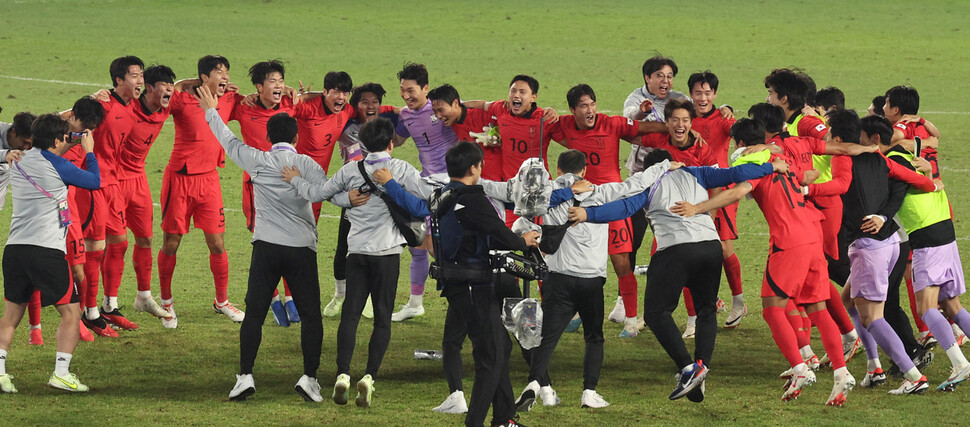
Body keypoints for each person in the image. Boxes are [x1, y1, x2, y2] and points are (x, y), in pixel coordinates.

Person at [571, 148, 784, 402]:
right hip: (710, 246)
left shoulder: (649, 182)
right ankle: (702, 366)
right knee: (706, 310)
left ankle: (688, 367)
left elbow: (624, 208)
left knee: (655, 313)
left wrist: (588, 214)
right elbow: (737, 172)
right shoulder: (696, 172)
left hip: (676, 249)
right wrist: (772, 166)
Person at [676, 117, 856, 405]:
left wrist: (697, 207)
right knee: (817, 307)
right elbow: (804, 176)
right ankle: (841, 372)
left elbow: (737, 190)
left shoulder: (756, 159)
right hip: (812, 232)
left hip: (789, 239)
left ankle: (800, 369)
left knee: (773, 309)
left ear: (741, 143)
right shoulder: (781, 153)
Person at [282, 117, 431, 408]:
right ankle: (369, 377)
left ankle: (342, 375)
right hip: (387, 254)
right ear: (391, 143)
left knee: (350, 315)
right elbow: (426, 201)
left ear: (361, 144)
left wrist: (298, 181)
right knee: (382, 319)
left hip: (357, 253)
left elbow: (318, 194)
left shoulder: (350, 170)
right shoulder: (401, 169)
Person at [195, 85, 326, 402]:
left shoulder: (257, 160)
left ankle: (244, 376)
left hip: (265, 248)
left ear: (269, 138)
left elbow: (227, 141)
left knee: (254, 314)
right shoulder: (308, 165)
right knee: (311, 317)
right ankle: (309, 378)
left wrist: (210, 109)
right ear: (296, 138)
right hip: (301, 250)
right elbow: (325, 193)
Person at [807, 109, 941, 395]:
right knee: (851, 302)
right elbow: (911, 177)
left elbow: (840, 185)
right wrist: (931, 184)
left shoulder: (844, 157)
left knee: (872, 317)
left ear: (839, 137)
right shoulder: (879, 158)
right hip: (891, 241)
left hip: (870, 247)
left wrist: (807, 190)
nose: (827, 138)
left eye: (830, 134)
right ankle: (874, 368)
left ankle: (913, 375)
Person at [428, 141, 538, 427]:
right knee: (491, 356)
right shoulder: (472, 199)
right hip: (472, 285)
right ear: (475, 168)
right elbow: (503, 235)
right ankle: (475, 422)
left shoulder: (441, 195)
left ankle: (504, 419)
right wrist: (522, 241)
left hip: (456, 283)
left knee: (499, 345)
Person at [546, 84, 668, 338]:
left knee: (621, 262)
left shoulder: (612, 124)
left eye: (592, 104)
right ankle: (574, 313)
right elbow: (534, 127)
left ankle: (632, 322)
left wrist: (680, 128)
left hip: (612, 204)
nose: (590, 110)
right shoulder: (564, 124)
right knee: (569, 260)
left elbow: (647, 129)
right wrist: (543, 111)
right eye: (583, 106)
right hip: (579, 206)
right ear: (572, 109)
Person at [0, 114, 101, 394]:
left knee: (11, 314)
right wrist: (89, 151)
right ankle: (61, 373)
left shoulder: (19, 157)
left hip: (14, 249)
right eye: (65, 136)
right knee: (71, 312)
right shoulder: (58, 165)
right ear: (57, 139)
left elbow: (48, 152)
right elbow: (94, 180)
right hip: (45, 250)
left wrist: (64, 144)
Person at [877, 114, 970, 391]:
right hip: (945, 231)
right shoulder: (909, 153)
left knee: (927, 309)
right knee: (953, 306)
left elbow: (904, 183)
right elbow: (929, 152)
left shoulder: (891, 161)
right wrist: (932, 176)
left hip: (926, 236)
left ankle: (959, 364)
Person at [158, 55, 243, 327]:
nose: (226, 76)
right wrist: (189, 83)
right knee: (172, 243)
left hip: (209, 181)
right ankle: (167, 302)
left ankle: (221, 301)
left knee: (217, 243)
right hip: (179, 180)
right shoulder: (183, 100)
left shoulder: (230, 99)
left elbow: (260, 102)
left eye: (227, 71)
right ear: (204, 77)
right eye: (219, 72)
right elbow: (166, 94)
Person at [77, 56, 143, 333]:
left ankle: (109, 306)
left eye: (141, 75)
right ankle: (88, 313)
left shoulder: (132, 106)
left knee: (120, 243)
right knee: (93, 249)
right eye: (134, 76)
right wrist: (90, 97)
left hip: (113, 183)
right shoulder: (102, 104)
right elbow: (72, 119)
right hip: (93, 186)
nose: (140, 81)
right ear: (118, 80)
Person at [325, 82, 397, 319]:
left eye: (375, 101)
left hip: (381, 197)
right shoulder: (346, 125)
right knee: (343, 246)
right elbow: (327, 106)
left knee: (376, 248)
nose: (371, 106)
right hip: (353, 197)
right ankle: (339, 294)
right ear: (356, 105)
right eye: (365, 101)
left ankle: (365, 298)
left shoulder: (386, 125)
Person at [112, 64, 177, 321]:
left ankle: (144, 296)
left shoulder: (165, 107)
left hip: (138, 179)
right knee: (113, 244)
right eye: (164, 85)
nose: (170, 90)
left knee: (146, 239)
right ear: (148, 88)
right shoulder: (128, 106)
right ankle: (107, 304)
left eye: (170, 86)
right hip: (115, 180)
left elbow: (182, 86)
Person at [686, 71, 747, 328]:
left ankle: (739, 301)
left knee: (723, 248)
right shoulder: (684, 116)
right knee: (691, 250)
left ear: (715, 94)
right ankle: (706, 305)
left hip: (723, 191)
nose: (703, 97)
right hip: (692, 190)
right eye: (698, 92)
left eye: (708, 92)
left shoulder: (723, 120)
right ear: (690, 94)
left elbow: (739, 132)